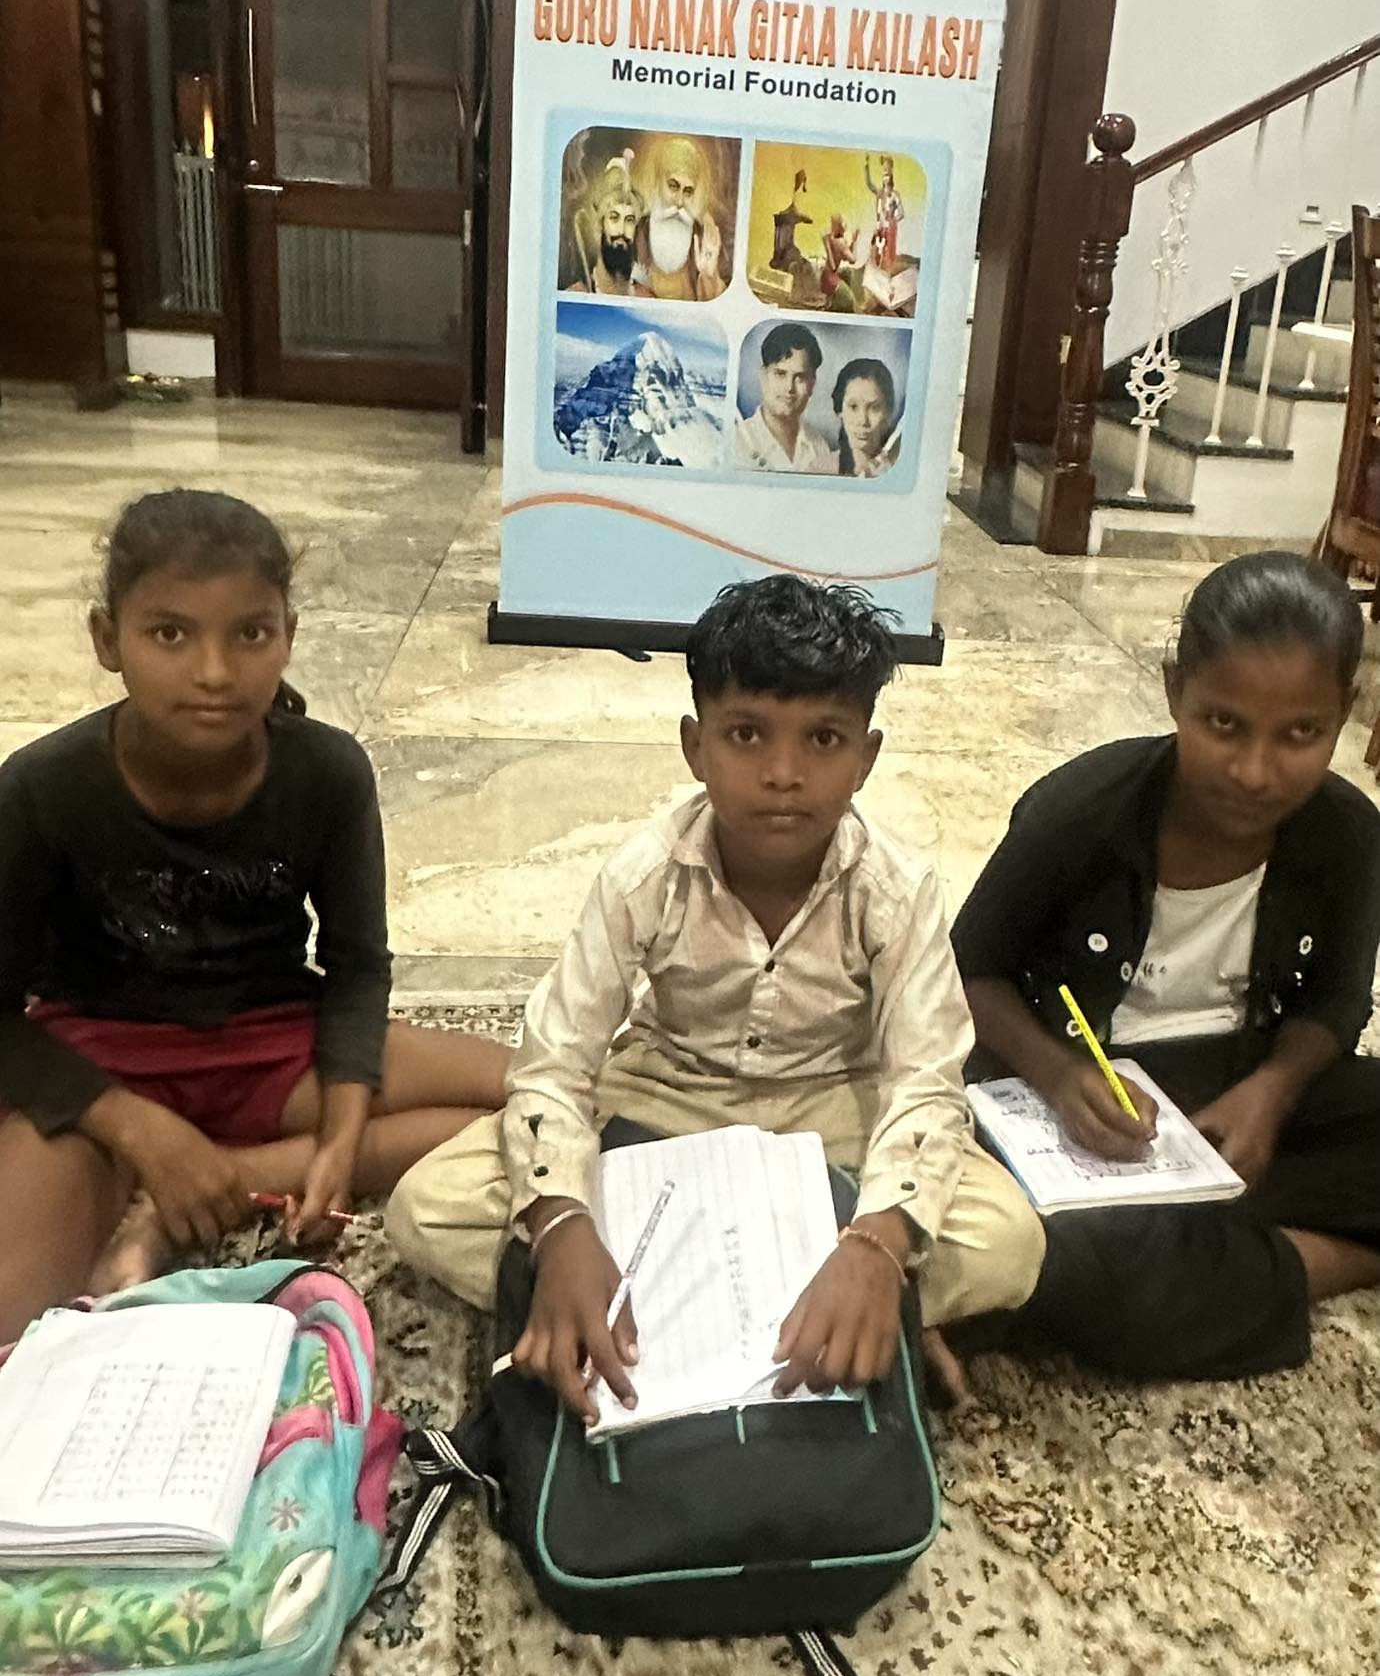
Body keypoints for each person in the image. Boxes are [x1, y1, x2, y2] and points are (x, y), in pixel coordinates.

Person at [388, 576, 1046, 1418]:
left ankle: (824, 1302)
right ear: (695, 747)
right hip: (665, 1092)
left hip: (832, 1105)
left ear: (867, 757)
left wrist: (881, 1245)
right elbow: (556, 1062)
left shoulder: (896, 890)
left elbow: (925, 1082)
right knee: (428, 1207)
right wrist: (559, 1224)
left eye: (823, 739)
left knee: (1008, 1241)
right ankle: (797, 1311)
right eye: (746, 735)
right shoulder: (645, 873)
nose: (783, 774)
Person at [0, 488, 509, 1343]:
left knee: (530, 1098)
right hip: (101, 1058)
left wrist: (340, 1141)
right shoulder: (39, 789)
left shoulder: (328, 772)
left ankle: (218, 1181)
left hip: (272, 1043)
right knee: (20, 1323)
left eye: (250, 634)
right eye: (171, 634)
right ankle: (164, 1171)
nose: (214, 671)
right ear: (107, 640)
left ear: (288, 636)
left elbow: (356, 968)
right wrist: (140, 1129)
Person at [952, 551, 1380, 1381]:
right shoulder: (1079, 815)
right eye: (1224, 724)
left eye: (1301, 735)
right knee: (1065, 1248)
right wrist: (1060, 1075)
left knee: (1081, 1266)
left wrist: (1272, 1091)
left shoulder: (1348, 833)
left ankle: (1196, 1251)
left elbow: (1335, 1003)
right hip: (1084, 1098)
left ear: (1345, 713)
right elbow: (967, 972)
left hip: (1239, 1086)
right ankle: (1327, 1260)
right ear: (1174, 689)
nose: (1255, 772)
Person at [632, 136, 727, 302]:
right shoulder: (635, 232)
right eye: (673, 186)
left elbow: (721, 303)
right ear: (657, 182)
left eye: (688, 191)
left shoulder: (703, 238)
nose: (679, 201)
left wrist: (709, 278)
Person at [733, 322, 837, 475]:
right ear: (763, 376)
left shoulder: (819, 447)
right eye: (780, 374)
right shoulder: (737, 439)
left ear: (812, 383)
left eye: (800, 377)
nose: (789, 388)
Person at [570, 151, 643, 296]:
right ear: (601, 224)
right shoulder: (576, 294)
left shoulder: (645, 297)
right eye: (614, 218)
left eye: (629, 220)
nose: (622, 230)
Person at [832, 359, 900, 479]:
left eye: (874, 408)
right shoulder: (819, 468)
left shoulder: (900, 470)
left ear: (888, 412)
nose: (863, 421)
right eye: (853, 407)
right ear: (840, 411)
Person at [864, 154, 903, 268]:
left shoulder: (895, 195)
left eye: (887, 175)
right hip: (879, 227)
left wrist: (892, 220)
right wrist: (866, 166)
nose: (885, 178)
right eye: (884, 175)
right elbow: (869, 184)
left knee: (885, 256)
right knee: (874, 250)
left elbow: (901, 213)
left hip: (888, 228)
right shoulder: (880, 192)